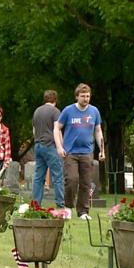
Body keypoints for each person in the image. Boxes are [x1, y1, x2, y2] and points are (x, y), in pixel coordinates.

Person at [55, 83, 105, 220]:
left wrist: (102, 150)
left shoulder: (94, 111)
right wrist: (59, 147)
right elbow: (57, 128)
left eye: (88, 96)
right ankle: (68, 207)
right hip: (70, 152)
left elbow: (98, 130)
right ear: (77, 97)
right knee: (71, 180)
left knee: (86, 183)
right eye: (83, 96)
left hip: (87, 152)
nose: (86, 99)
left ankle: (83, 211)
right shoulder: (68, 111)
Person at [32, 90, 65, 208]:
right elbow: (57, 130)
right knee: (58, 177)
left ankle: (35, 205)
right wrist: (60, 147)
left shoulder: (37, 111)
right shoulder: (56, 111)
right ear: (55, 100)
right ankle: (60, 205)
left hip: (38, 145)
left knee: (38, 177)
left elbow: (34, 131)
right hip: (50, 145)